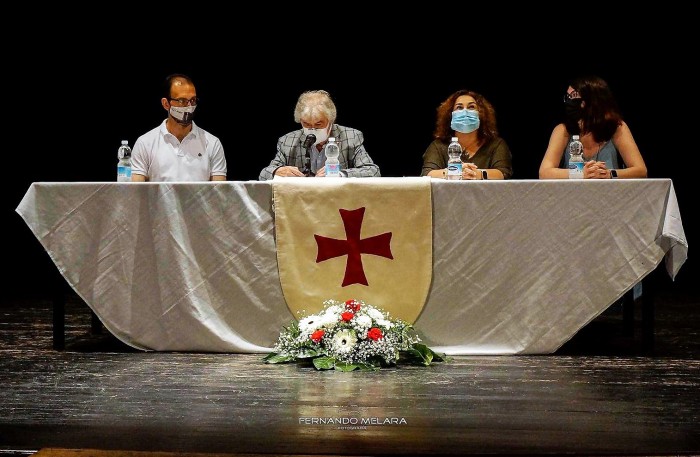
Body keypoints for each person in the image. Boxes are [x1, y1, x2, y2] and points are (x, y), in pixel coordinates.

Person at [539, 75, 647, 179]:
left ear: (590, 101)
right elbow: (544, 172)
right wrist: (580, 173)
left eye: (573, 96)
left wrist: (608, 174)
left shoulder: (617, 127)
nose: (568, 101)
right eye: (567, 97)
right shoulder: (563, 130)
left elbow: (641, 170)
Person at [259, 90, 380, 180]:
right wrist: (277, 171)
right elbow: (263, 174)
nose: (312, 130)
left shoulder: (351, 136)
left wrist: (340, 174)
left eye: (318, 124)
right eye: (306, 124)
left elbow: (373, 171)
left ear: (330, 120)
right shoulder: (287, 141)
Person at [131, 74, 227, 182]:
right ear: (166, 104)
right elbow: (136, 192)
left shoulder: (212, 143)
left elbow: (219, 193)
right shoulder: (145, 143)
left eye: (193, 100)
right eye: (182, 101)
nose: (189, 106)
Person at [421, 89, 513, 180]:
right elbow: (427, 174)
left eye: (471, 107)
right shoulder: (438, 146)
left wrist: (477, 174)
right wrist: (454, 172)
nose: (465, 112)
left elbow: (503, 172)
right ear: (450, 115)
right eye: (459, 107)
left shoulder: (496, 144)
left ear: (481, 114)